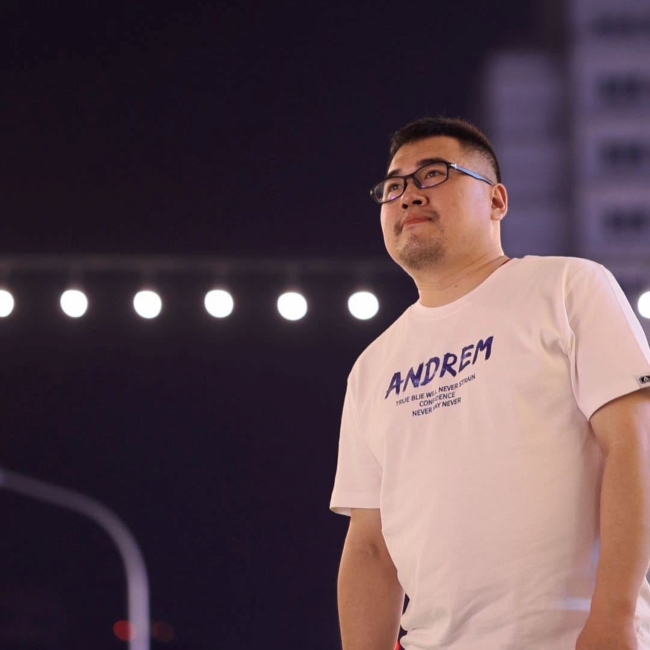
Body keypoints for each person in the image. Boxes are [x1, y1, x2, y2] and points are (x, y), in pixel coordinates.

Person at [330, 116, 650, 650]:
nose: (409, 195)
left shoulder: (567, 287)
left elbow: (635, 446)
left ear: (497, 200)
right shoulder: (372, 367)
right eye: (394, 186)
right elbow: (369, 547)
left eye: (434, 174)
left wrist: (614, 621)